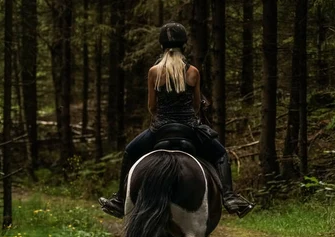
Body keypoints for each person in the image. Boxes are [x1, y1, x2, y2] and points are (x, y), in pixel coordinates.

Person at [98, 22, 255, 219]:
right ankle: (230, 198)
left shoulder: (154, 71)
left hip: (160, 129)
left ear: (161, 46)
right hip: (189, 129)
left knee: (129, 151)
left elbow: (152, 107)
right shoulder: (193, 72)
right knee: (221, 154)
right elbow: (197, 105)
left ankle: (120, 201)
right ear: (184, 45)